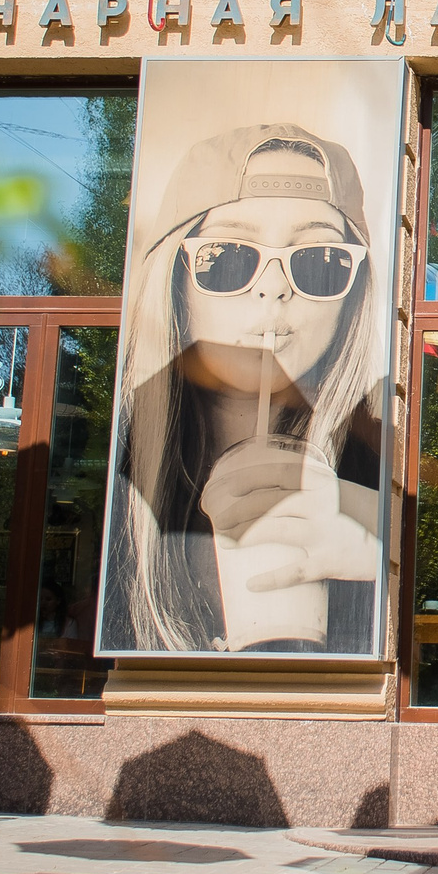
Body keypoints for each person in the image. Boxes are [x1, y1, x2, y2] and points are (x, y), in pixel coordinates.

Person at [102, 125, 385, 655]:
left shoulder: (377, 457)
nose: (273, 286)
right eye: (228, 255)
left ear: (353, 297)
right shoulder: (113, 461)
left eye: (319, 262)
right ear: (176, 280)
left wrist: (381, 544)